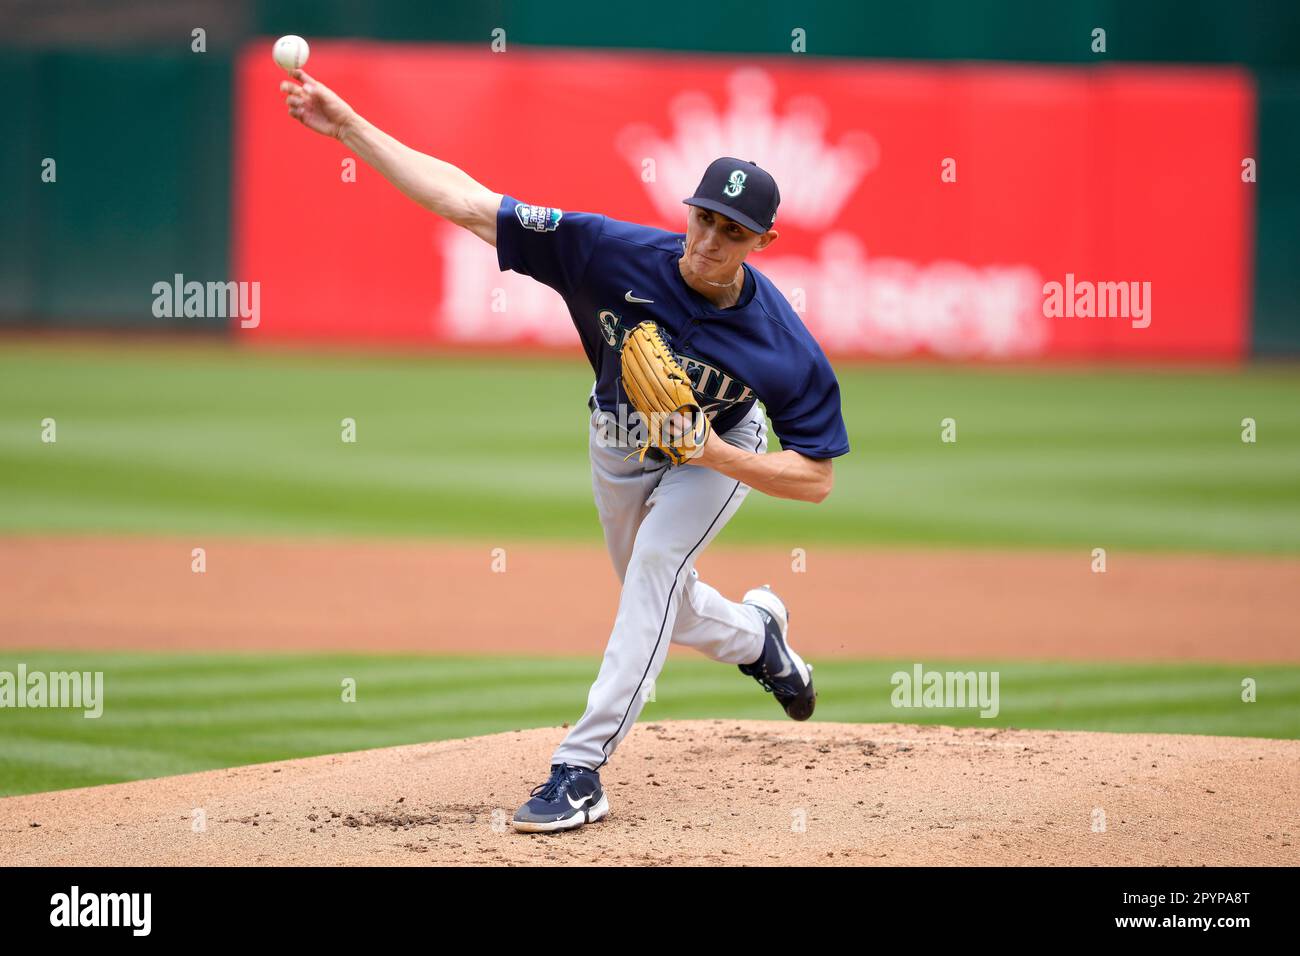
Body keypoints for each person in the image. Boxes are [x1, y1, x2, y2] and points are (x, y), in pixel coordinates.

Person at [280, 69, 851, 833]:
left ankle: (579, 769)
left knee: (653, 571)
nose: (711, 241)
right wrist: (350, 126)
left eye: (733, 232)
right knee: (664, 605)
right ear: (688, 211)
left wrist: (717, 454)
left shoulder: (781, 342)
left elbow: (816, 478)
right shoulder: (604, 251)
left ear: (764, 242)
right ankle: (760, 640)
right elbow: (469, 203)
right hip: (616, 440)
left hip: (719, 451)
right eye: (704, 219)